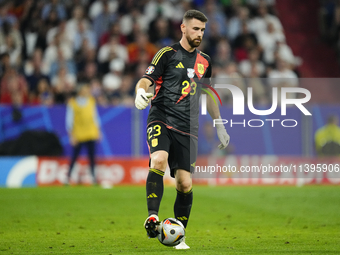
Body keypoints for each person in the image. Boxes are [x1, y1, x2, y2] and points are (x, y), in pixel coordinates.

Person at [134, 10, 230, 249]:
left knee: (184, 184)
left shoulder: (205, 61)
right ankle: (153, 217)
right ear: (183, 28)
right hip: (161, 118)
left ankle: (179, 234)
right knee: (158, 159)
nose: (199, 34)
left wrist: (219, 124)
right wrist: (140, 92)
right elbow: (146, 79)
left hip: (188, 127)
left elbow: (208, 95)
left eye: (203, 30)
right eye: (196, 29)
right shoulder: (167, 54)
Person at [66, 84, 101, 184]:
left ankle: (94, 178)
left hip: (91, 133)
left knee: (92, 157)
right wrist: (71, 135)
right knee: (74, 157)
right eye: (85, 90)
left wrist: (98, 131)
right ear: (80, 91)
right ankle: (68, 177)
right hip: (79, 134)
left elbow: (95, 117)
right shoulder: (72, 103)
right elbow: (69, 121)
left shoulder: (91, 101)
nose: (87, 92)